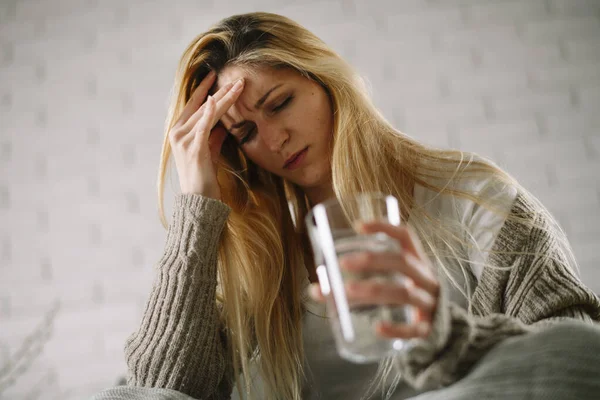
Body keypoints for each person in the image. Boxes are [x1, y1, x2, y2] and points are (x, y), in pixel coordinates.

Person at [93, 12, 600, 400]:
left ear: (326, 82)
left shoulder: (475, 201)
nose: (275, 138)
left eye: (279, 103)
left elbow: (580, 357)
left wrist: (444, 337)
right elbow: (159, 390)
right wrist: (196, 208)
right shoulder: (260, 267)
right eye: (245, 133)